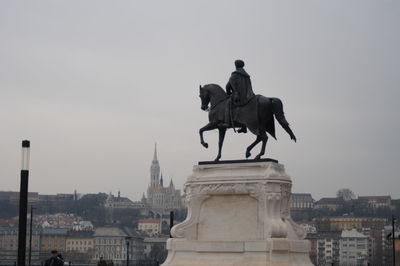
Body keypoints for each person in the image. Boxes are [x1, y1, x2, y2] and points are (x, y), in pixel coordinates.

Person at [222, 59, 254, 130]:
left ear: (236, 65)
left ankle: (227, 122)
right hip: (249, 96)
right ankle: (243, 126)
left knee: (228, 103)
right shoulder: (246, 75)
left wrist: (228, 93)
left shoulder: (235, 74)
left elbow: (228, 85)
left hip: (239, 95)